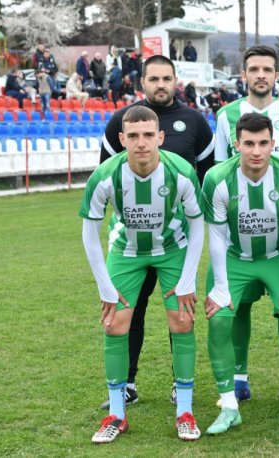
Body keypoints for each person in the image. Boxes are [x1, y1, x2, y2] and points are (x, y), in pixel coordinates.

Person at [98, 54, 216, 411]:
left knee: (177, 312)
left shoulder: (195, 121)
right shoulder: (120, 119)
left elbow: (207, 177)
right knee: (128, 311)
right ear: (142, 82)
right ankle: (128, 384)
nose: (160, 85)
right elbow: (106, 176)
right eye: (154, 79)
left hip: (175, 241)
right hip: (132, 241)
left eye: (167, 78)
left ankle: (180, 389)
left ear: (176, 80)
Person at [81, 105, 205, 443]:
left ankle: (185, 410)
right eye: (133, 136)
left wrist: (188, 279)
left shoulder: (180, 171)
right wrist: (104, 287)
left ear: (160, 138)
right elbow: (89, 233)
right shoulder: (105, 175)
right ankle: (117, 415)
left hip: (172, 250)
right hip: (127, 252)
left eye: (148, 135)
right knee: (115, 323)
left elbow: (197, 226)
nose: (141, 143)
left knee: (182, 321)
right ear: (121, 139)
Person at [201, 113, 279, 433]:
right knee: (219, 317)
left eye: (263, 143)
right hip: (236, 258)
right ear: (236, 145)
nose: (256, 151)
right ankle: (229, 407)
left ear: (273, 144)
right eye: (248, 143)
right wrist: (220, 286)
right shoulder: (217, 178)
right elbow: (218, 238)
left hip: (277, 257)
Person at [212, 45, 279, 405]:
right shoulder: (225, 116)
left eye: (267, 69)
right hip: (239, 233)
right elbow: (220, 171)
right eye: (254, 69)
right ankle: (239, 376)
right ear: (244, 75)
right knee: (236, 307)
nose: (261, 75)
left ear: (276, 76)